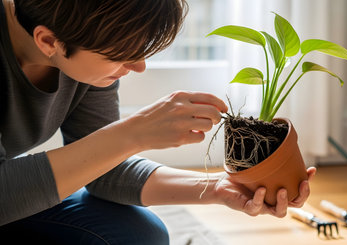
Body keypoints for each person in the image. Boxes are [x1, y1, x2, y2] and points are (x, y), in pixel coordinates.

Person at [0, 0, 316, 244]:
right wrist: (132, 134)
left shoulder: (85, 50)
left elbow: (103, 172)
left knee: (139, 234)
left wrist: (219, 188)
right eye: (120, 55)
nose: (138, 66)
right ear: (48, 40)